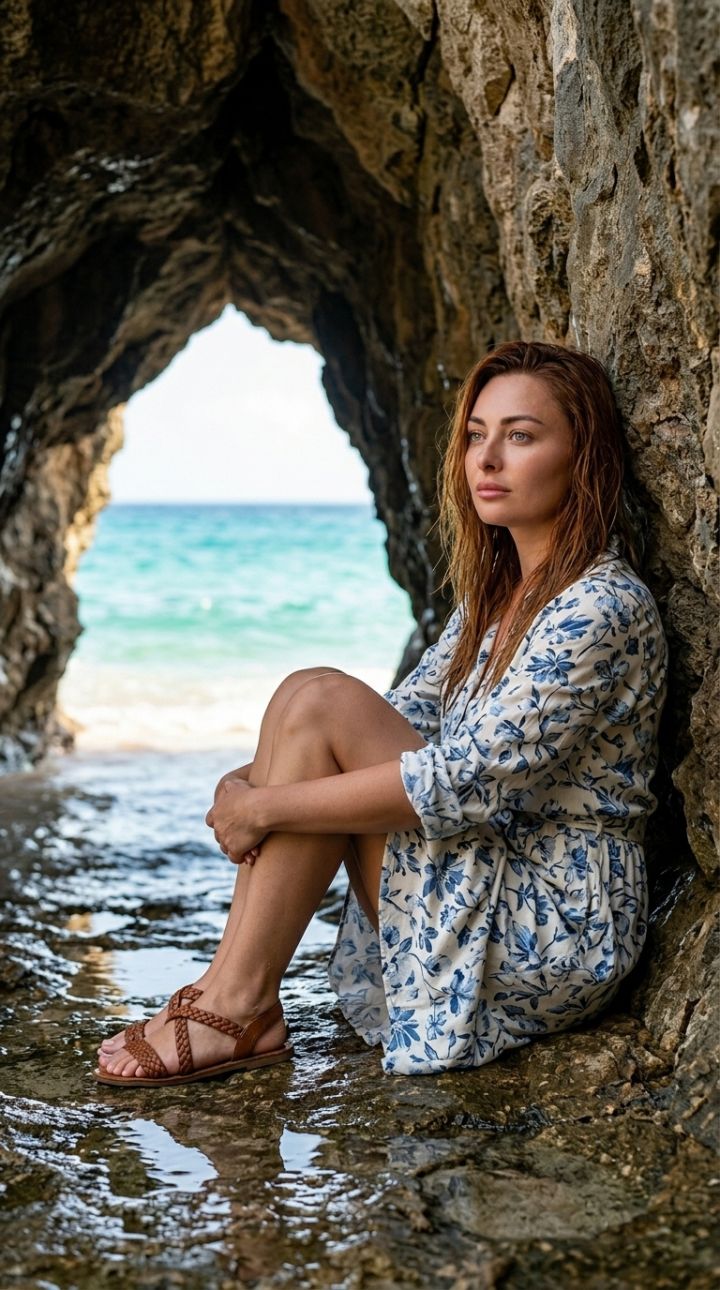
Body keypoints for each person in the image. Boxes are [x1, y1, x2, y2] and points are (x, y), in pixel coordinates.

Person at [95, 340, 668, 1087]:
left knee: (323, 702)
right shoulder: (496, 605)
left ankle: (233, 1005)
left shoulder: (601, 605)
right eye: (475, 435)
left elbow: (465, 781)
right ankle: (233, 998)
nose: (487, 459)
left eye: (521, 436)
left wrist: (268, 804)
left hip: (555, 924)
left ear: (582, 455)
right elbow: (399, 716)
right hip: (492, 864)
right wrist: (257, 777)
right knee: (308, 694)